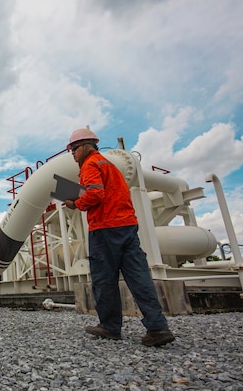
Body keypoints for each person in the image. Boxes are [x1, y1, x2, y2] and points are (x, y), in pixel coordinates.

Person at [62, 128, 175, 347]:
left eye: (74, 149)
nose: (73, 154)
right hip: (127, 226)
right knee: (139, 277)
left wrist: (75, 203)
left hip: (105, 228)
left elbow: (95, 194)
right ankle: (158, 328)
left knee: (104, 279)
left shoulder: (90, 164)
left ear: (86, 146)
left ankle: (110, 327)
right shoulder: (111, 166)